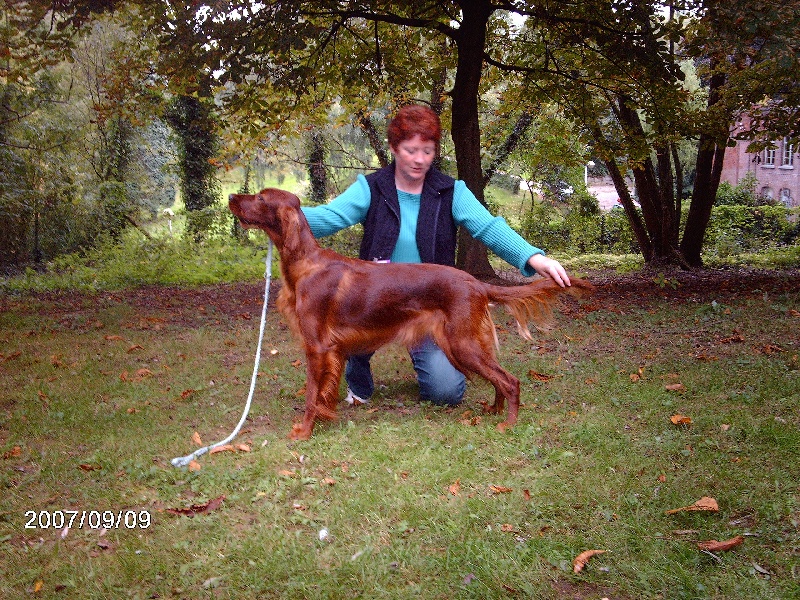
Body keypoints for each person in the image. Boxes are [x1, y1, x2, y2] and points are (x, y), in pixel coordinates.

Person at [300, 104, 572, 408]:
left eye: (427, 151)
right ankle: (358, 378)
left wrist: (535, 259)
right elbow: (328, 217)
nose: (420, 160)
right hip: (373, 300)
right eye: (411, 150)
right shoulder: (372, 187)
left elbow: (489, 227)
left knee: (445, 393)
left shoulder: (451, 191)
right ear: (393, 148)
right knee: (347, 319)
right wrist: (278, 215)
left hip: (428, 302)